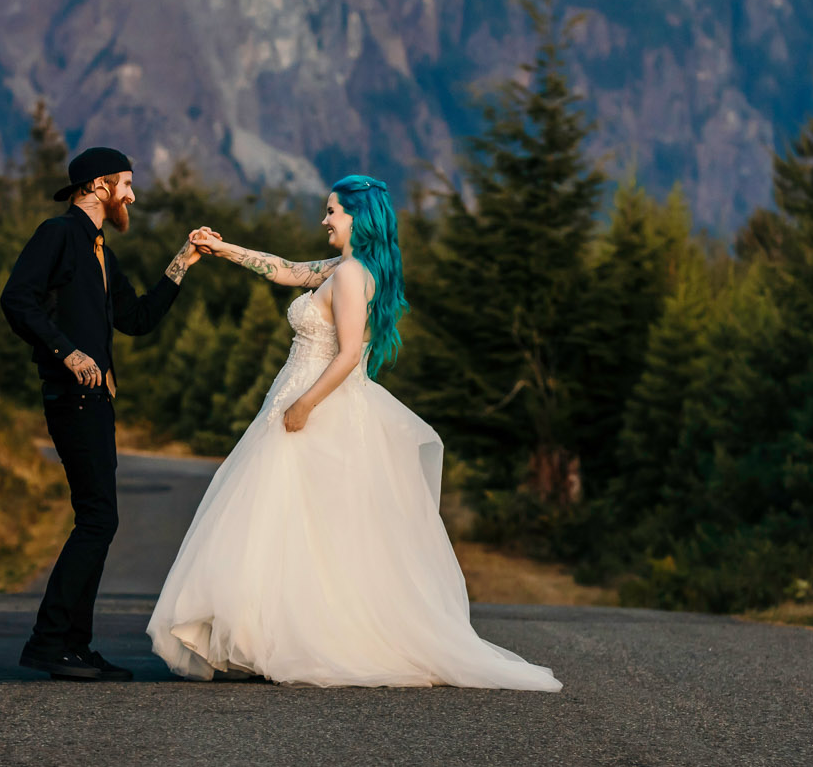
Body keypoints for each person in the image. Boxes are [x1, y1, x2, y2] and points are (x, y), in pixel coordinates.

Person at [146, 174, 561, 690]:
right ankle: (262, 635)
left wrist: (304, 406)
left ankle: (277, 636)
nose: (324, 220)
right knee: (293, 525)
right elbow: (287, 270)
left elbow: (346, 354)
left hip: (316, 405)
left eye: (332, 211)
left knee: (285, 519)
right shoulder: (342, 269)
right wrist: (219, 247)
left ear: (356, 219)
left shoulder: (348, 277)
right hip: (304, 399)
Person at [0, 146, 214, 681]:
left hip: (96, 401)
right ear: (98, 187)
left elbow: (137, 317)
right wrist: (66, 351)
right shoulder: (58, 234)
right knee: (98, 519)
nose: (132, 197)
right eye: (126, 185)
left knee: (98, 519)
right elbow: (17, 299)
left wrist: (182, 263)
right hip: (71, 394)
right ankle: (51, 642)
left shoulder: (100, 252)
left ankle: (74, 645)